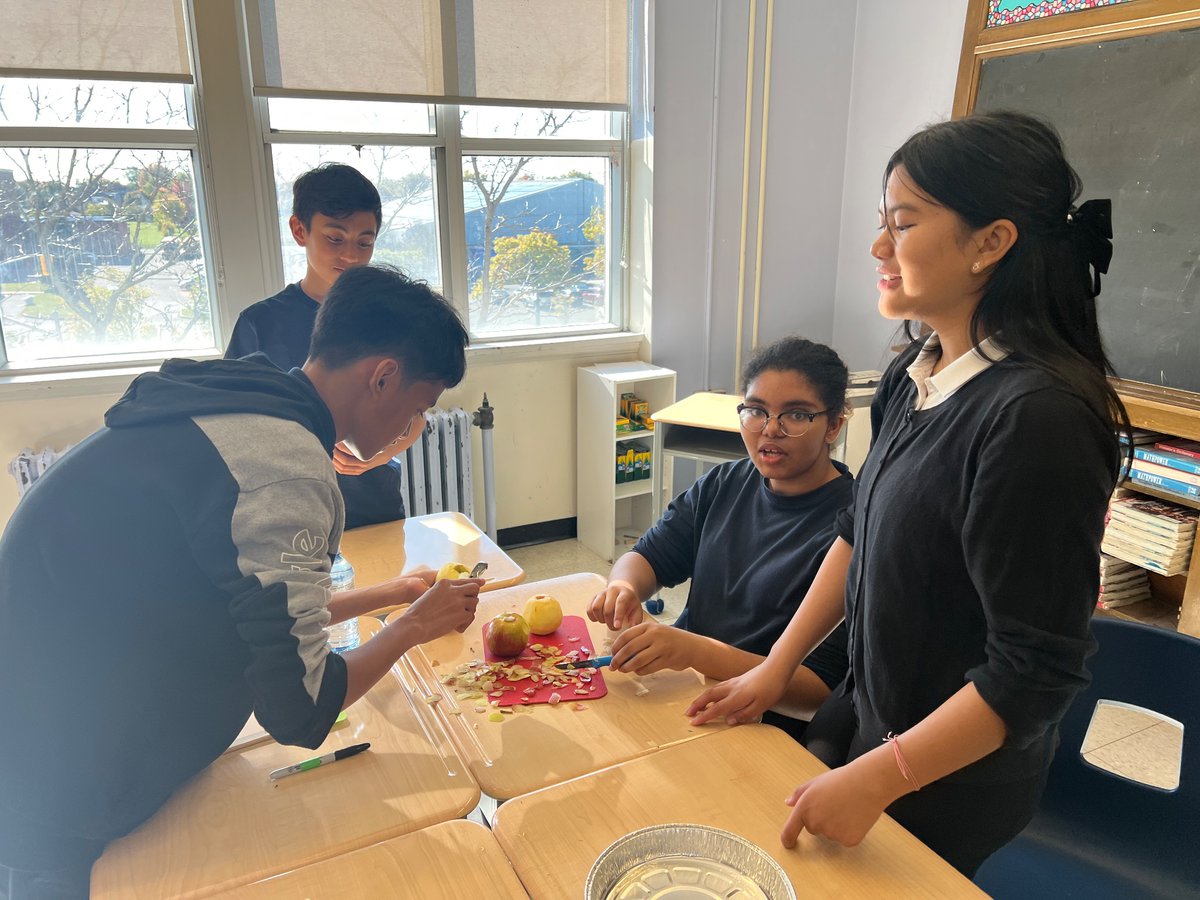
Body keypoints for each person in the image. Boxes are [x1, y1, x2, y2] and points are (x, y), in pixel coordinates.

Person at [688, 111, 1129, 877]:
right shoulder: (910, 374)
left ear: (991, 243)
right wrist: (771, 668)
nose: (877, 248)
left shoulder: (1037, 420)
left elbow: (1032, 670)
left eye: (903, 223)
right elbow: (856, 535)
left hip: (945, 776)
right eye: (881, 223)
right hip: (870, 722)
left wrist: (880, 778)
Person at [0, 265, 482, 898]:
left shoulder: (241, 403)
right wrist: (414, 627)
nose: (411, 428)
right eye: (417, 407)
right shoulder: (279, 464)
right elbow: (300, 709)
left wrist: (387, 594)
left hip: (50, 714)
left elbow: (244, 606)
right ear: (383, 375)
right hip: (68, 781)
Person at [588, 337, 854, 737]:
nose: (770, 430)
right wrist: (624, 587)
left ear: (833, 424)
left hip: (758, 722)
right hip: (682, 688)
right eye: (756, 411)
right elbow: (649, 556)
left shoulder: (853, 528)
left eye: (795, 416)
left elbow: (818, 691)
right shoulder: (726, 482)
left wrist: (695, 650)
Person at [225, 162, 411, 529]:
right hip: (290, 510)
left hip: (373, 504)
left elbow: (414, 419)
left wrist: (375, 456)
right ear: (299, 230)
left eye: (365, 242)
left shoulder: (390, 318)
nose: (352, 256)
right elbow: (236, 429)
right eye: (335, 238)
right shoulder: (259, 324)